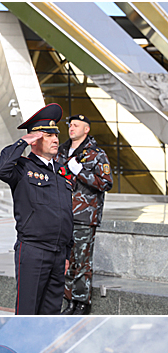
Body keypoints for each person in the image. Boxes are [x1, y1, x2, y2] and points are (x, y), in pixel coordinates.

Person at [0, 103, 74, 315]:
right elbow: (0, 168)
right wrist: (22, 142)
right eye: (48, 135)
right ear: (35, 139)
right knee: (28, 311)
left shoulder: (61, 173)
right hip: (34, 251)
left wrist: (67, 254)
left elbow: (67, 215)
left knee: (52, 312)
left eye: (56, 135)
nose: (56, 140)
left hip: (58, 255)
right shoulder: (22, 168)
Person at [60, 114, 113, 314]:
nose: (71, 128)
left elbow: (106, 182)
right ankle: (69, 302)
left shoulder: (96, 154)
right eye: (70, 125)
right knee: (65, 261)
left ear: (86, 129)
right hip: (63, 215)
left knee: (81, 262)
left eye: (76, 125)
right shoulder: (62, 151)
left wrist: (80, 171)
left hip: (84, 216)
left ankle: (81, 303)